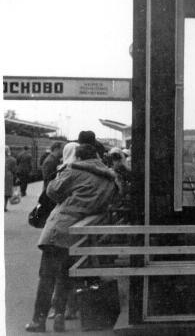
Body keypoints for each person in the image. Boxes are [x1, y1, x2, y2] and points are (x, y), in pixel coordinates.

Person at [25, 142, 120, 333]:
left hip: (59, 230)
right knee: (64, 276)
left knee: (47, 277)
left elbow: (52, 191)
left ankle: (38, 321)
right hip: (80, 234)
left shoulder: (74, 171)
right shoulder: (110, 178)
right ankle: (59, 316)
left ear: (79, 157)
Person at [5, 147, 17, 211]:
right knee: (6, 193)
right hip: (7, 177)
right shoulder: (12, 160)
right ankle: (4, 206)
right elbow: (14, 170)